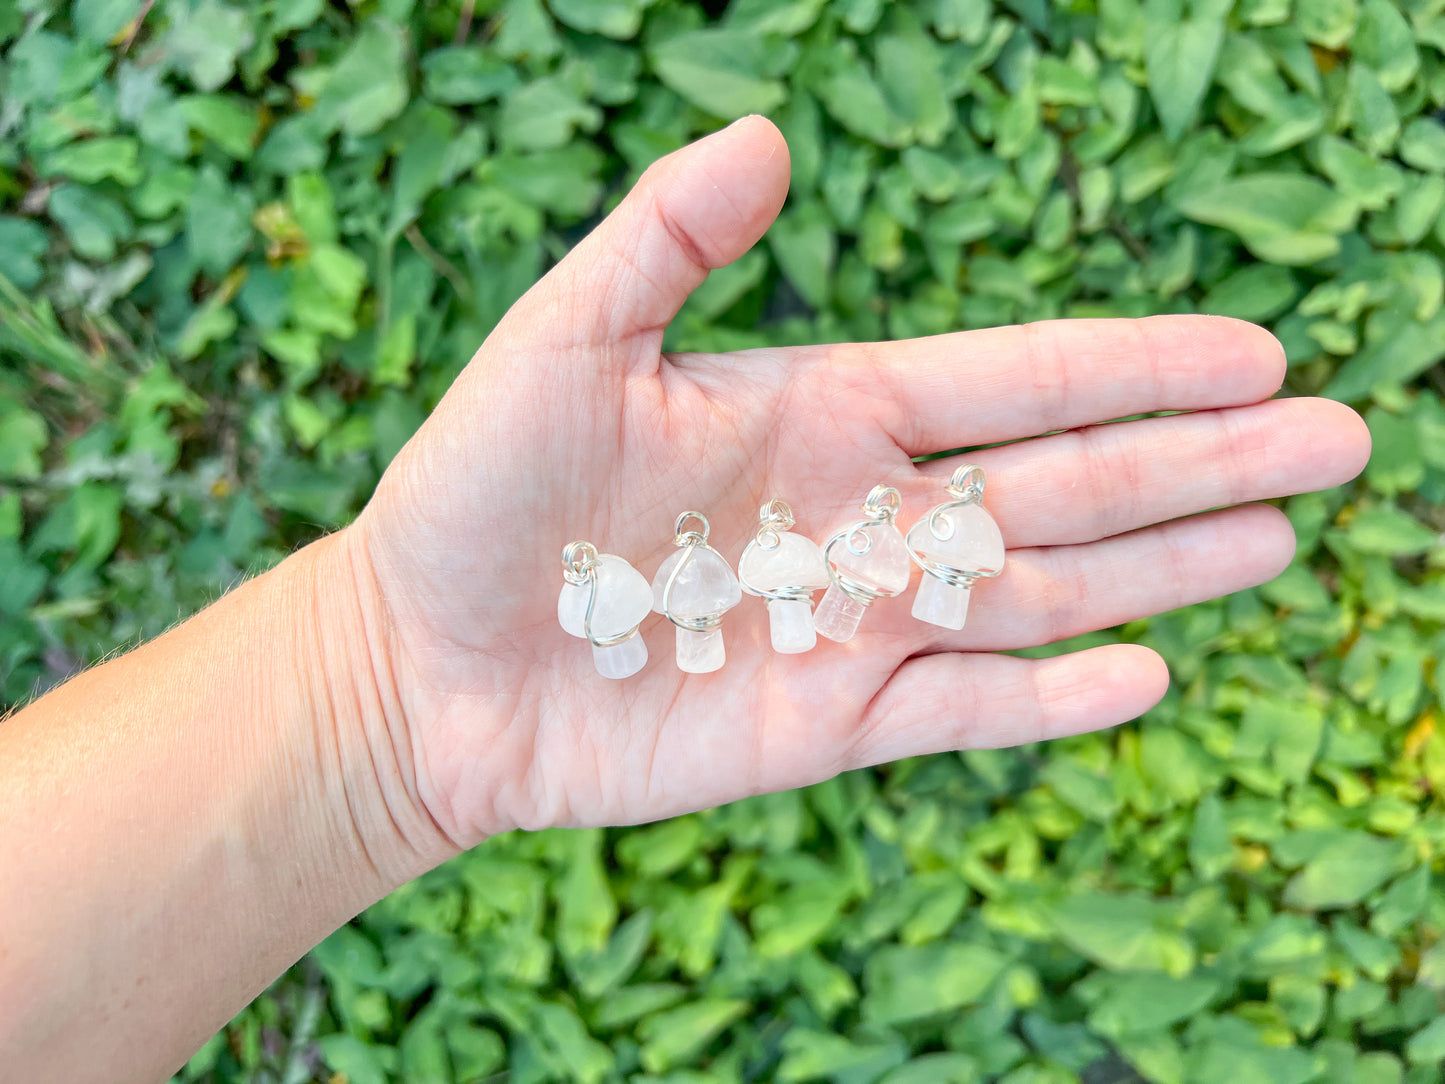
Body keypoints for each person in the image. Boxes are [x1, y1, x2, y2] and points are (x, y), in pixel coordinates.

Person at [0, 117, 1371, 1082]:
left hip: (775, 581)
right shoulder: (692, 582)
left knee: (831, 592)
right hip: (726, 591)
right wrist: (394, 678)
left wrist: (385, 682)